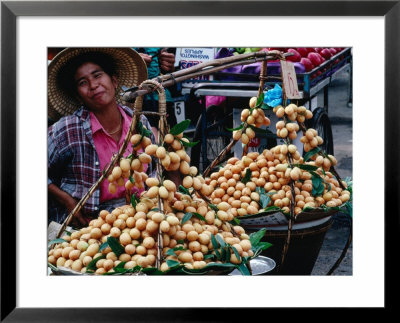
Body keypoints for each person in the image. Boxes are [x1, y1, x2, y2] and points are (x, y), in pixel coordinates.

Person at [48, 48, 155, 228]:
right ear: (78, 95)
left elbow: (154, 170)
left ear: (114, 81)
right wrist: (66, 200)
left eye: (97, 75)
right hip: (87, 229)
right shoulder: (68, 129)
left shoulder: (139, 122)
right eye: (83, 82)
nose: (93, 85)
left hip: (139, 224)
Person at [134, 48, 177, 139]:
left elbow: (168, 69)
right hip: (134, 101)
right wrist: (133, 60)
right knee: (149, 145)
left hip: (162, 98)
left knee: (174, 144)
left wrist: (168, 63)